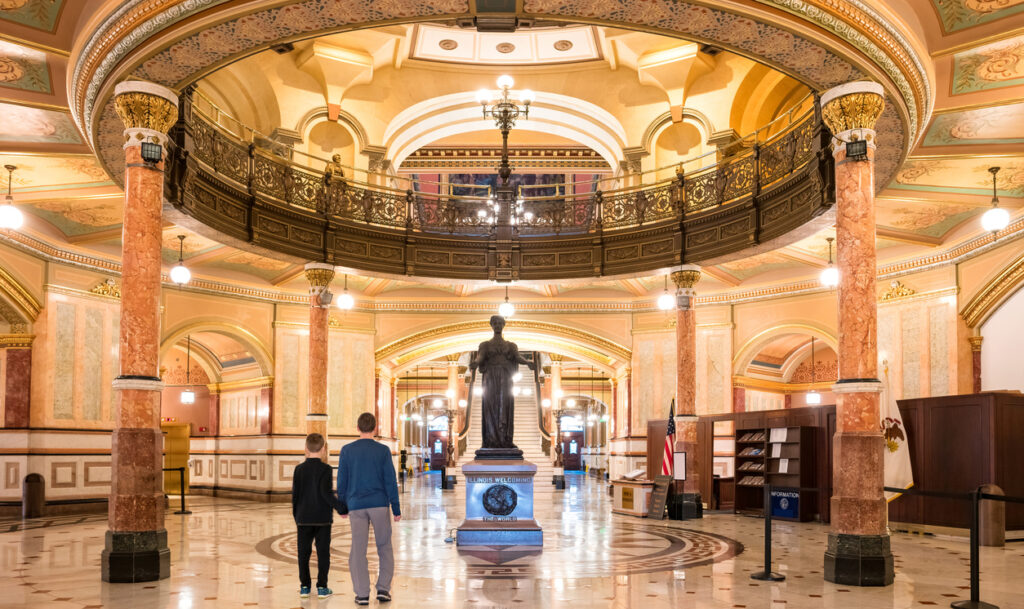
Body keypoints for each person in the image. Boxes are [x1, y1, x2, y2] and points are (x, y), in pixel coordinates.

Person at [337, 412, 401, 605]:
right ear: (375, 428)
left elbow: (342, 480)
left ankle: (362, 593)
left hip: (356, 505)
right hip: (380, 504)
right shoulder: (382, 451)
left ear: (357, 428)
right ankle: (383, 589)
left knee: (358, 549)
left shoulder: (347, 450)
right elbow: (390, 480)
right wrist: (396, 508)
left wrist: (342, 506)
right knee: (384, 546)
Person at [292, 433, 347, 599]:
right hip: (323, 519)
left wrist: (297, 516)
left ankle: (304, 586)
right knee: (323, 553)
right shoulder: (326, 469)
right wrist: (342, 508)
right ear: (323, 449)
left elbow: (295, 496)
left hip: (303, 518)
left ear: (306, 449)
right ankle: (322, 586)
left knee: (303, 553)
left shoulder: (299, 469)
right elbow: (326, 494)